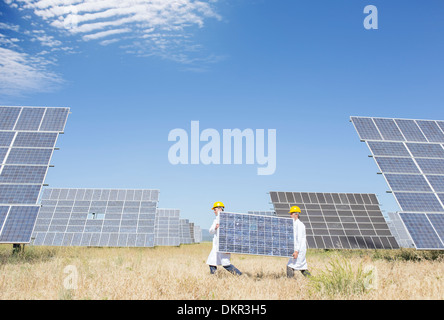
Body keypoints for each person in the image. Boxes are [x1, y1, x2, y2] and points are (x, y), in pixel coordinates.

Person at [206, 201, 242, 275]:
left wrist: (229, 247)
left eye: (214, 209)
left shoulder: (229, 220)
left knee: (226, 264)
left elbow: (234, 232)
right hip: (216, 246)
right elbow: (211, 231)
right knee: (211, 262)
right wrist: (215, 227)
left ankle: (240, 275)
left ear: (219, 209)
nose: (214, 211)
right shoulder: (216, 220)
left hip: (224, 245)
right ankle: (213, 277)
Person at [287, 206, 311, 278]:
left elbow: (299, 239)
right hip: (299, 250)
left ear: (296, 214)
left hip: (299, 250)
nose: (290, 215)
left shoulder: (300, 225)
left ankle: (290, 282)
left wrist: (296, 251)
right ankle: (312, 280)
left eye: (291, 213)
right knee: (302, 267)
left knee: (290, 266)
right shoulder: (295, 224)